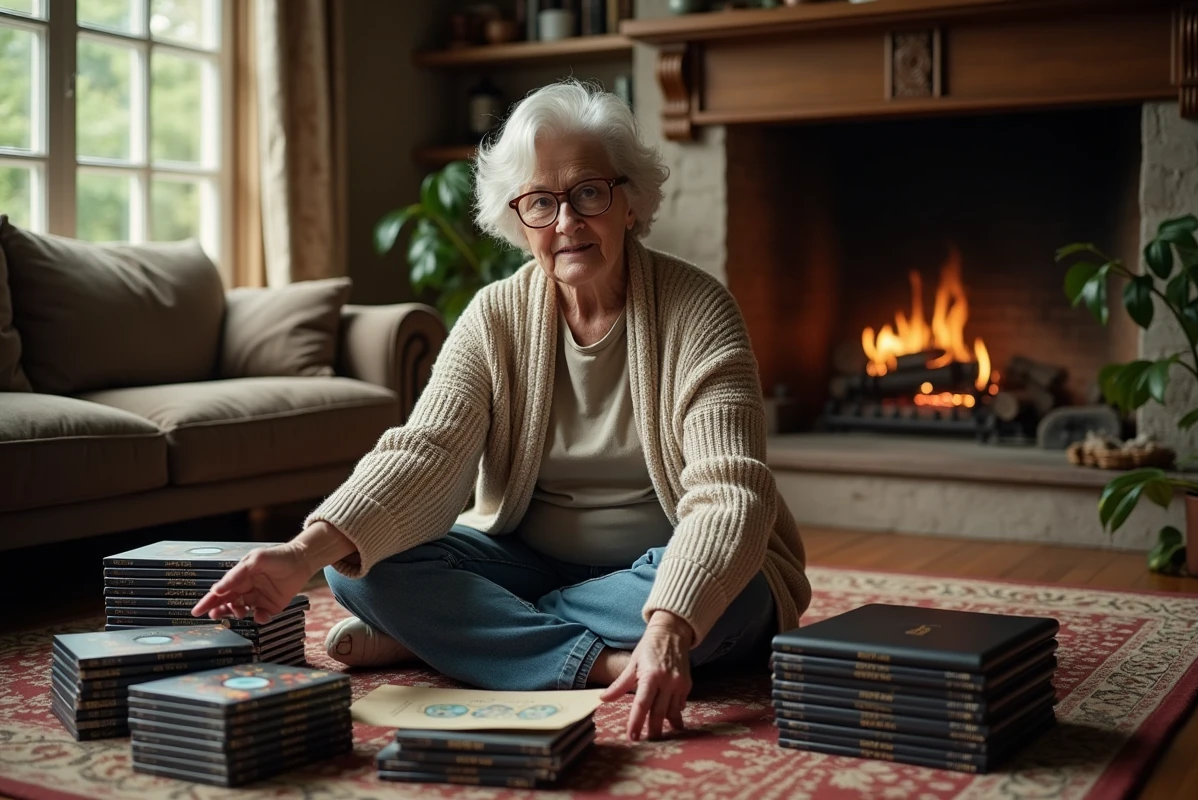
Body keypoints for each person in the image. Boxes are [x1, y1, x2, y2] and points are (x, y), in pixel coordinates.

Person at [192, 79, 811, 742]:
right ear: (519, 222)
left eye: (588, 193)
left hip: (655, 569)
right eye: (541, 203)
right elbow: (426, 451)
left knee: (733, 596)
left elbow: (731, 492)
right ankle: (597, 660)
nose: (567, 222)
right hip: (528, 556)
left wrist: (668, 625)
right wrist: (297, 554)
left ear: (629, 202)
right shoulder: (494, 316)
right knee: (361, 573)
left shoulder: (700, 311)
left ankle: (471, 634)